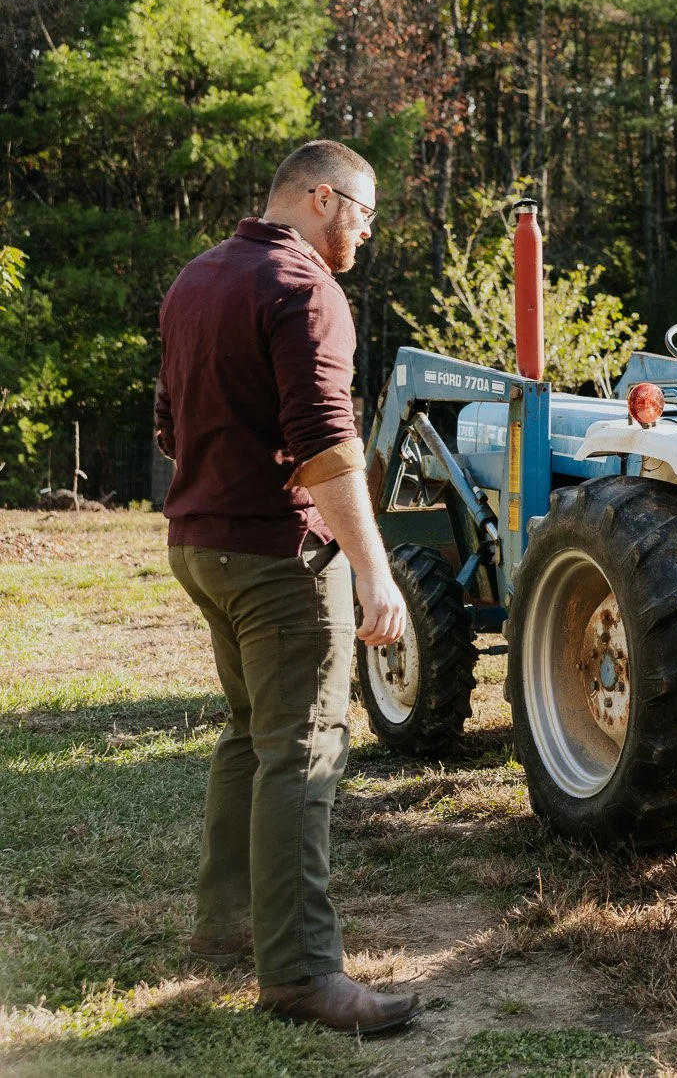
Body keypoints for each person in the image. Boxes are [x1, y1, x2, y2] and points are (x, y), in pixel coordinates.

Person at [156, 140, 423, 1034]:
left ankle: (229, 926)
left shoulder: (195, 279)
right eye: (365, 211)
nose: (369, 232)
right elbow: (327, 444)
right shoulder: (307, 289)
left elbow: (168, 425)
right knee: (304, 748)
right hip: (280, 559)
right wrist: (374, 569)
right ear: (320, 198)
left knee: (250, 734)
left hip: (200, 546)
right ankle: (302, 972)